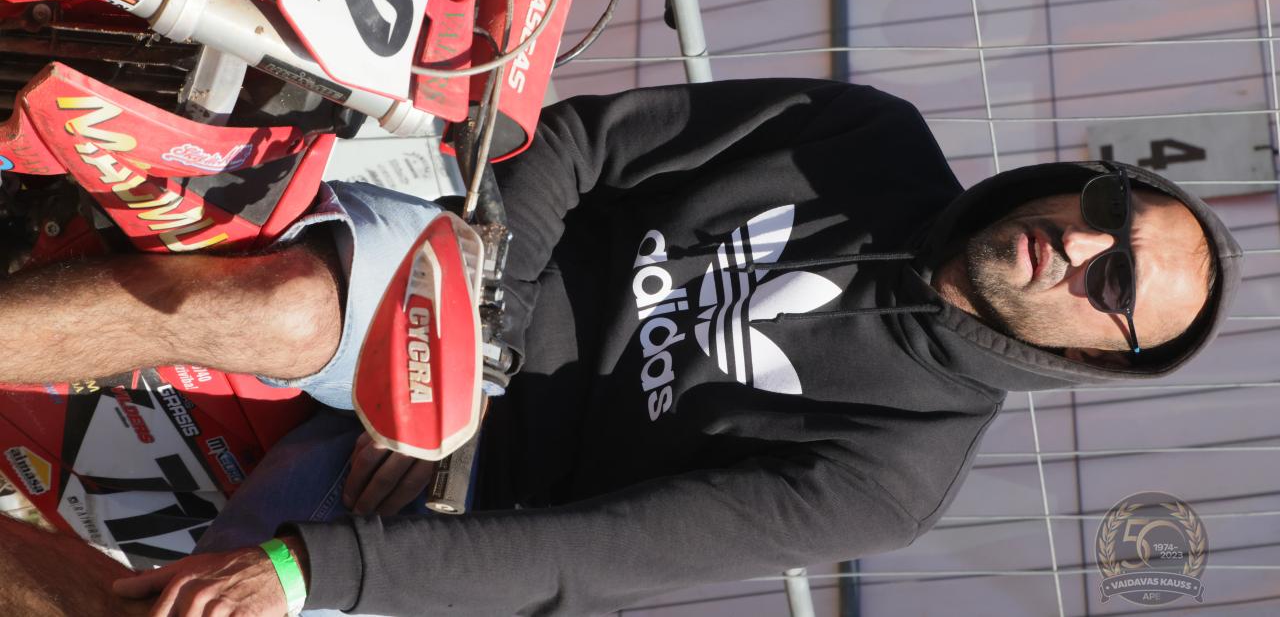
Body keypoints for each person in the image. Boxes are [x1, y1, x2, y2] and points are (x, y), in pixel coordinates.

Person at [0, 78, 1240, 616]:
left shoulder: (893, 476)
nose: (1079, 243)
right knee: (288, 312)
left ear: (1096, 359)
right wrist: (470, 359)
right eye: (1110, 208)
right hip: (451, 284)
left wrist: (303, 568)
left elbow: (587, 554)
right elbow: (581, 142)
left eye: (1112, 282)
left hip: (440, 496)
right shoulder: (867, 135)